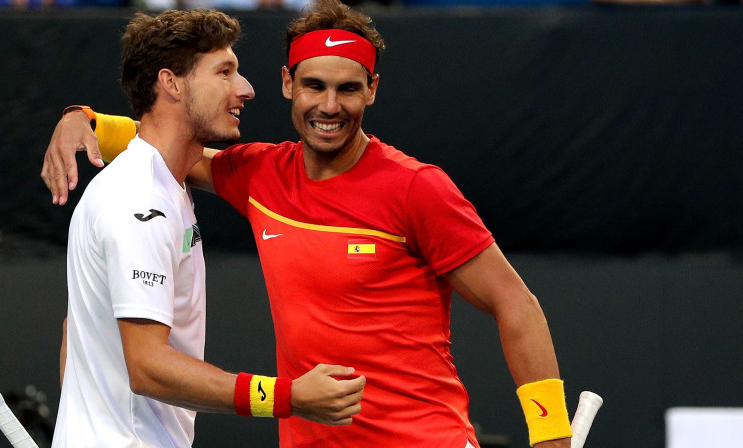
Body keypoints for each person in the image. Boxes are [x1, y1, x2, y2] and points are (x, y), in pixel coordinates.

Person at [42, 1, 572, 446]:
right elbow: (165, 139)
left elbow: (516, 304)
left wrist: (552, 436)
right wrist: (80, 120)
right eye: (314, 85)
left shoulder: (418, 187)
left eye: (348, 89)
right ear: (287, 83)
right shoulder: (258, 174)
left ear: (372, 90)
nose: (330, 106)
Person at [52, 9, 366, 448]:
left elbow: (78, 329)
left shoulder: (161, 184)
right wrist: (286, 396)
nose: (246, 89)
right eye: (225, 72)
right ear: (172, 83)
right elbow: (147, 367)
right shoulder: (140, 201)